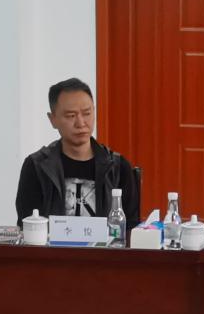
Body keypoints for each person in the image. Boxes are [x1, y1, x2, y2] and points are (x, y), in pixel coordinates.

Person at [15, 76, 142, 226]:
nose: (81, 123)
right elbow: (27, 226)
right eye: (71, 116)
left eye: (87, 113)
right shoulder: (37, 167)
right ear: (52, 119)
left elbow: (131, 228)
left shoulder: (118, 168)